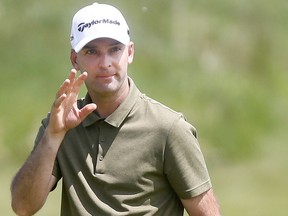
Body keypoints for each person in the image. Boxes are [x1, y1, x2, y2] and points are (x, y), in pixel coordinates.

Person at [11, 2, 221, 216]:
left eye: (115, 50)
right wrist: (53, 136)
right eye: (92, 51)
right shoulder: (60, 125)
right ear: (75, 59)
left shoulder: (169, 129)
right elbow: (23, 206)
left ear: (129, 52)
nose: (105, 63)